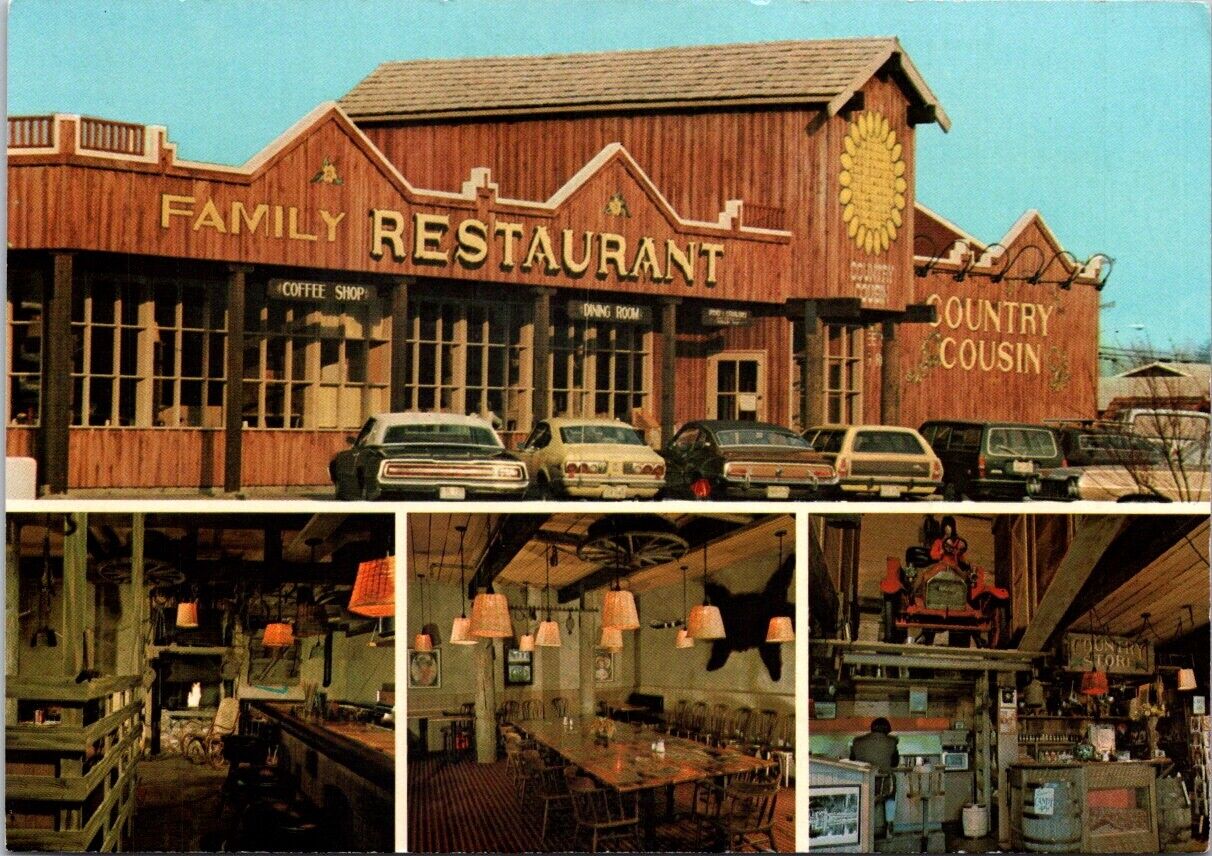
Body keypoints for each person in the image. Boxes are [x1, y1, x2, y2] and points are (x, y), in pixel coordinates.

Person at [851, 717, 900, 835]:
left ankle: (862, 830)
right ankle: (889, 823)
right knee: (890, 795)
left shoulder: (857, 741)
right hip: (884, 785)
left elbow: (852, 760)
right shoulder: (892, 742)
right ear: (887, 730)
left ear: (872, 728)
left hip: (863, 783)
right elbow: (895, 763)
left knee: (865, 801)